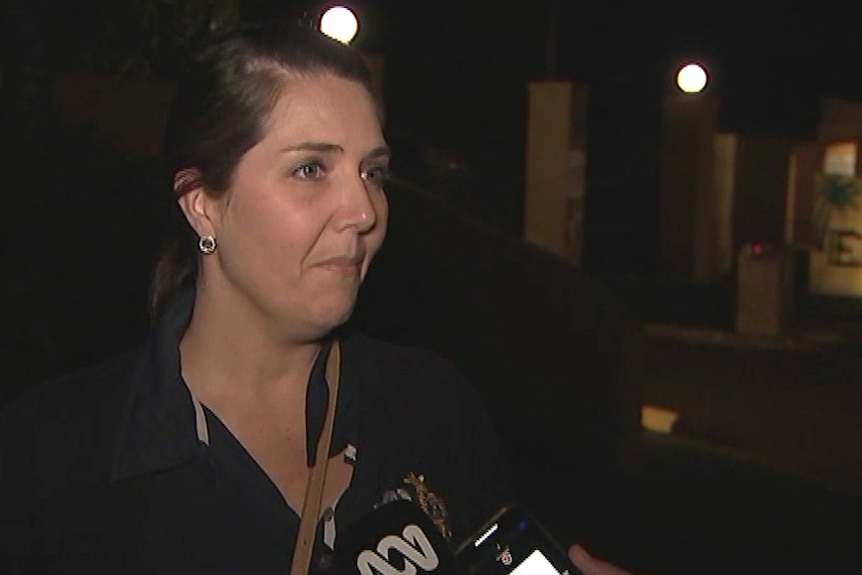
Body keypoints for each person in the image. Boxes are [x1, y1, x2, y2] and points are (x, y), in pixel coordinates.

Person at [0, 20, 634, 575]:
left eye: (373, 172)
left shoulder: (432, 406)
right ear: (203, 205)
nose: (364, 210)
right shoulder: (54, 457)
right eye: (311, 169)